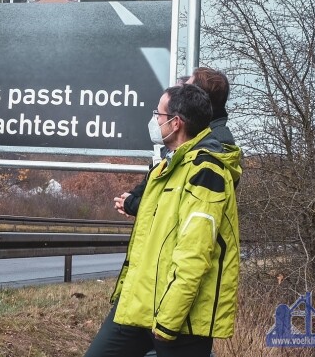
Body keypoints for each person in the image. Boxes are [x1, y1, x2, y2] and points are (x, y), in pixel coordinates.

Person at [85, 84, 242, 357]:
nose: (154, 120)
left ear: (176, 122)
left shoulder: (206, 171)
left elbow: (194, 254)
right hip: (138, 305)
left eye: (158, 114)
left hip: (179, 321)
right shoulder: (167, 166)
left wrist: (168, 322)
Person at [114, 68, 235, 217]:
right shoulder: (188, 142)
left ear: (198, 98)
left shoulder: (211, 153)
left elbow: (179, 207)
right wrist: (133, 197)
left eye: (187, 89)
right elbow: (159, 179)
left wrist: (135, 204)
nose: (181, 92)